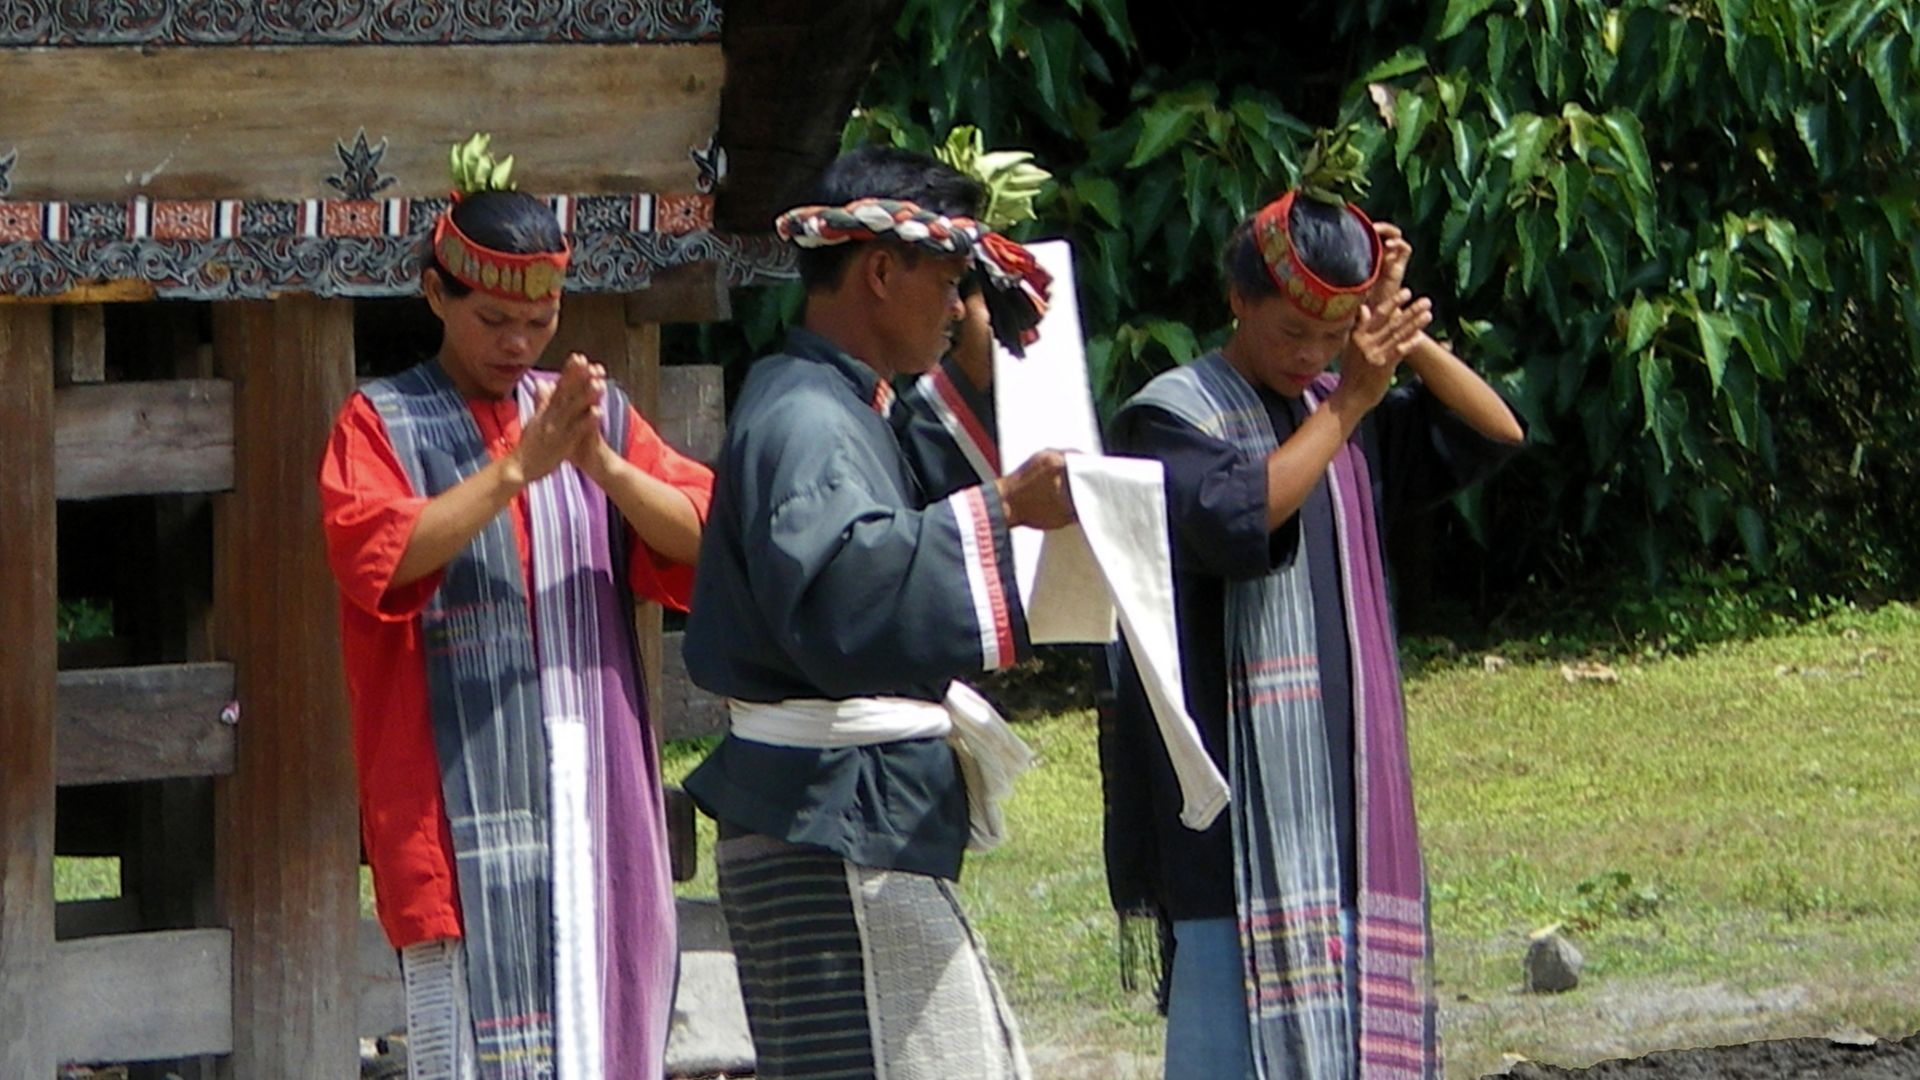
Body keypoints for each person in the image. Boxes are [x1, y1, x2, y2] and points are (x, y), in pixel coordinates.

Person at [1102, 189, 1526, 1080]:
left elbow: (1496, 431)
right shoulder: (1172, 416)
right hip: (1231, 830)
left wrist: (1394, 336)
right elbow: (1238, 518)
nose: (1311, 358)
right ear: (1237, 299)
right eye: (1293, 332)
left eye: (1329, 341)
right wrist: (1351, 400)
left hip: (1347, 822)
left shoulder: (1342, 410)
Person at [318, 136, 713, 1080]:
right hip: (451, 811)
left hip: (594, 804)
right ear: (434, 296)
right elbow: (382, 556)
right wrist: (516, 470)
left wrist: (605, 467)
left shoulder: (586, 415)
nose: (518, 344)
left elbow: (702, 532)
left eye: (538, 323)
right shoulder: (380, 424)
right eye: (495, 318)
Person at [679, 146, 1074, 1080]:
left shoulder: (837, 404)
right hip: (831, 819)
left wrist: (989, 364)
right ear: (882, 271)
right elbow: (841, 592)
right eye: (946, 283)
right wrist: (1006, 510)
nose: (956, 306)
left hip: (831, 815)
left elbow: (921, 494)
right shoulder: (808, 416)